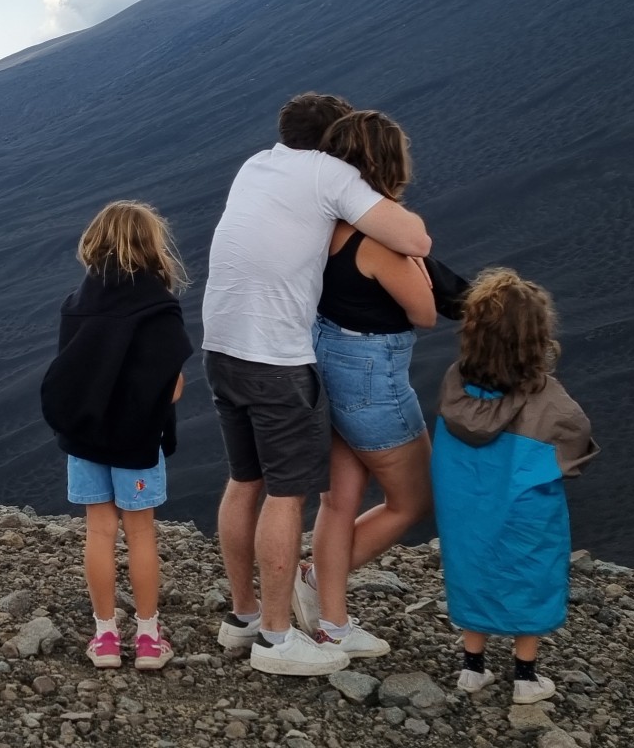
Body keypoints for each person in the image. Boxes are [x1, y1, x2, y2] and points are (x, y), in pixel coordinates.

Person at [203, 92, 431, 676]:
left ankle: (245, 617)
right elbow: (414, 240)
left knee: (243, 480)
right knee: (287, 494)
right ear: (334, 141)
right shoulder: (331, 174)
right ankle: (278, 642)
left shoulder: (257, 164)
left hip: (220, 344)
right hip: (276, 357)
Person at [292, 110, 437, 656]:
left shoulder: (319, 225)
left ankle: (331, 620)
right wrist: (417, 256)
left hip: (321, 367)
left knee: (339, 501)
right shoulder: (380, 241)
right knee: (412, 499)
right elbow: (424, 312)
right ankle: (315, 584)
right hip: (372, 380)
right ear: (389, 163)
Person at [40, 200, 194, 671]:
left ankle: (105, 637)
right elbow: (173, 387)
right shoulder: (159, 308)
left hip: (86, 438)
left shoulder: (76, 305)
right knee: (141, 533)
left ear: (95, 243)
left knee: (99, 531)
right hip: (137, 443)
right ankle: (148, 638)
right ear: (152, 246)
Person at [431, 267, 596, 704]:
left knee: (471, 565)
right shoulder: (545, 394)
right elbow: (576, 432)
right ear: (536, 338)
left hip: (466, 508)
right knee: (530, 571)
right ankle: (525, 677)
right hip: (527, 508)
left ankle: (473, 667)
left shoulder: (455, 385)